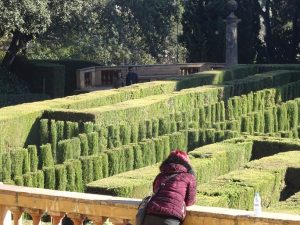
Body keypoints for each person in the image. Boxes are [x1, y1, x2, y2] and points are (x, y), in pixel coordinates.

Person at [143, 150, 197, 225]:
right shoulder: (189, 177)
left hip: (150, 215)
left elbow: (155, 191)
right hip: (170, 218)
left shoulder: (160, 176)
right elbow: (190, 201)